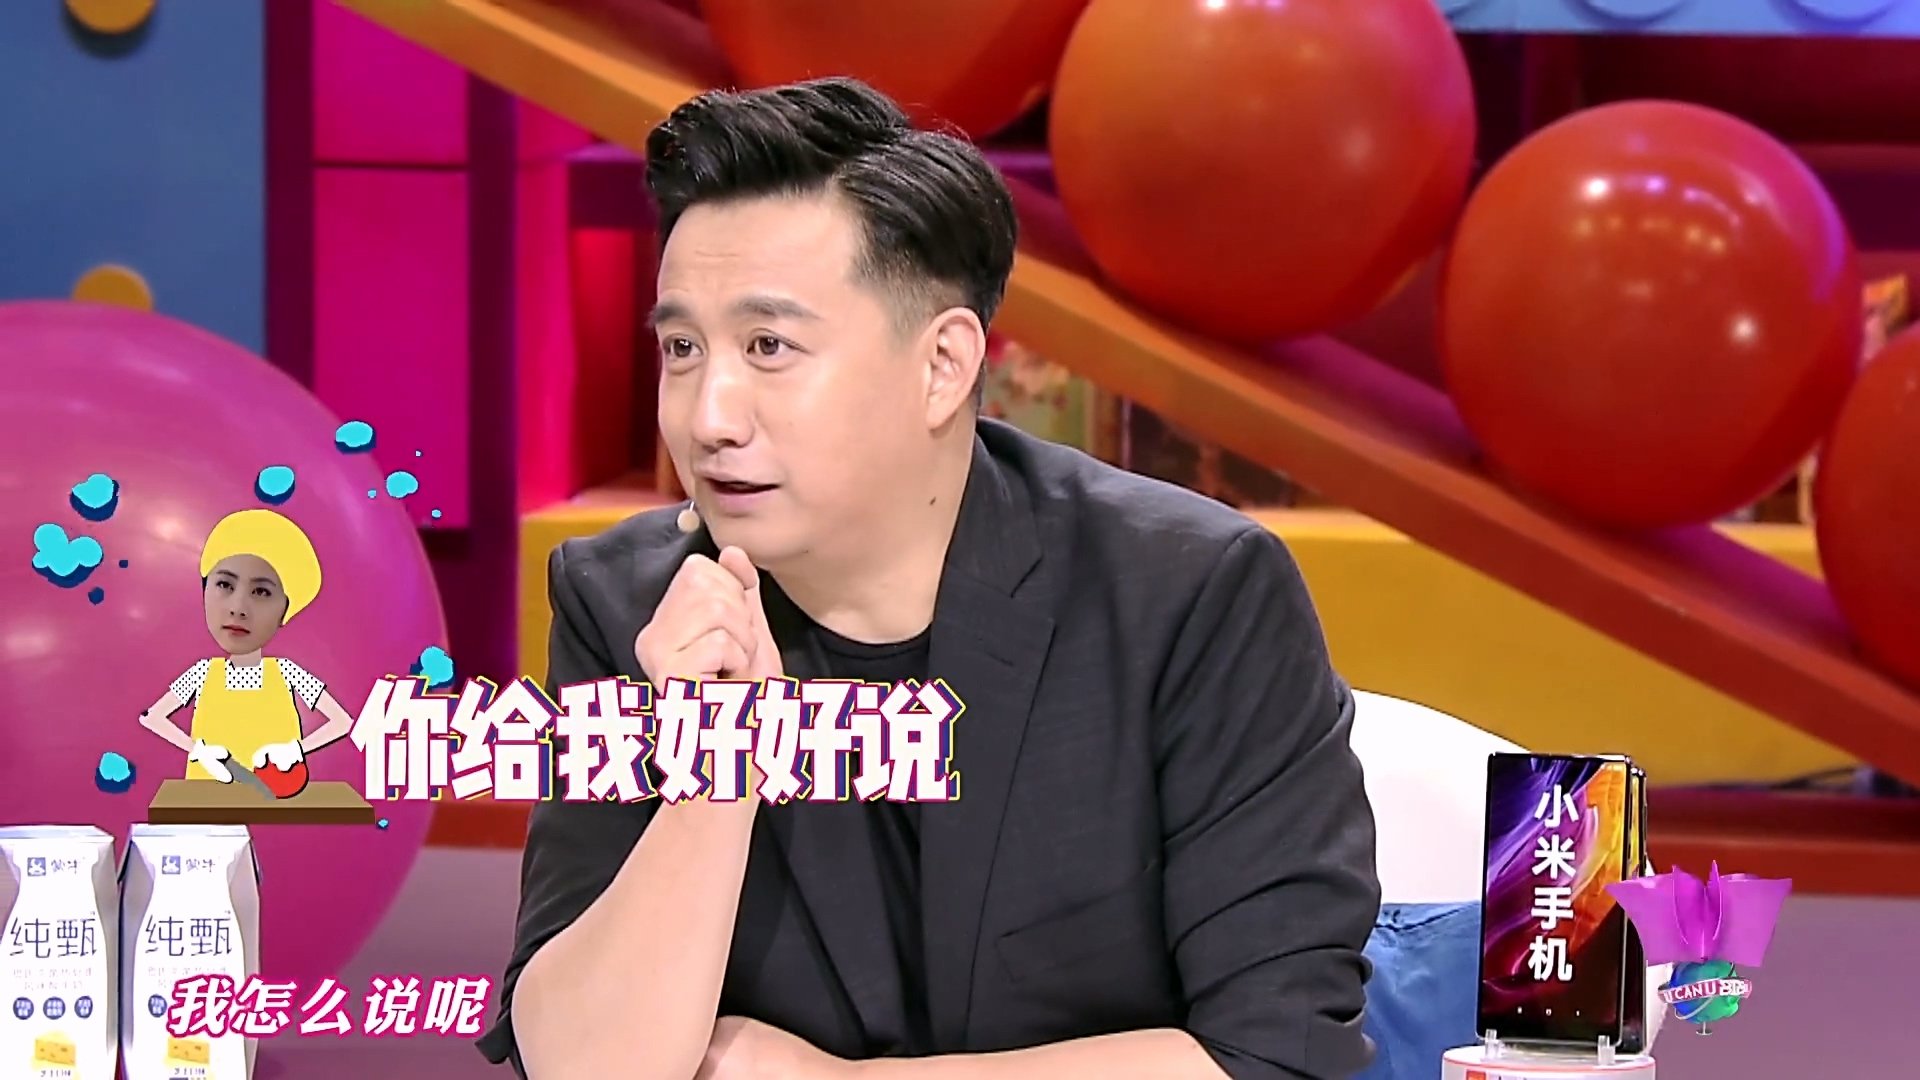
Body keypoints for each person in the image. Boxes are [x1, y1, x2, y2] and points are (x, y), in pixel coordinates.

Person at [478, 77, 1380, 1080]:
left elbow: (1272, 1055)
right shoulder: (631, 607)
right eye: (683, 348)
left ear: (944, 365)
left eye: (769, 346)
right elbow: (579, 1064)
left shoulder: (1186, 595)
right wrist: (713, 773)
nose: (708, 417)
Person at [138, 508, 358, 782]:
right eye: (224, 585)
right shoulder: (202, 673)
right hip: (204, 799)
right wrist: (199, 751)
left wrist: (295, 750)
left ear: (285, 610)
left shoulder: (288, 673)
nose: (238, 608)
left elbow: (342, 722)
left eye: (261, 592)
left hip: (276, 800)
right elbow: (152, 717)